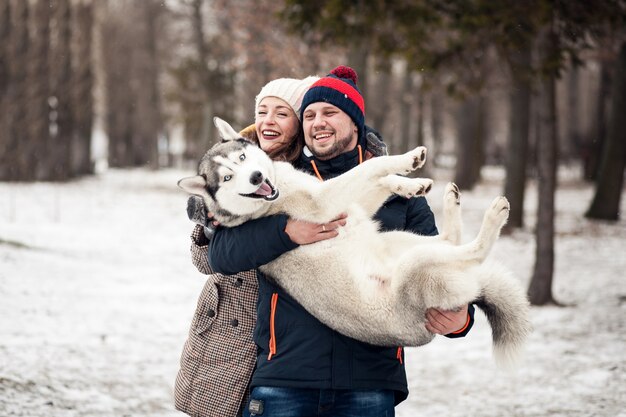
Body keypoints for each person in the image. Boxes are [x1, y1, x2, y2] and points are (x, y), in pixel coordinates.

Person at [207, 66, 475, 417]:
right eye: (310, 115)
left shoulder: (402, 193)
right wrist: (285, 232)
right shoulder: (276, 182)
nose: (318, 122)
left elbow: (439, 260)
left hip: (369, 381)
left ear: (355, 122)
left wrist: (461, 319)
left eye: (330, 113)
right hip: (286, 377)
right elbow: (221, 253)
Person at [174, 75, 325, 417]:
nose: (268, 121)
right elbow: (204, 261)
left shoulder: (311, 176)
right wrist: (210, 226)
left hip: (279, 337)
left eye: (282, 113)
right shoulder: (227, 162)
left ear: (300, 122)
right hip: (223, 329)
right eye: (262, 110)